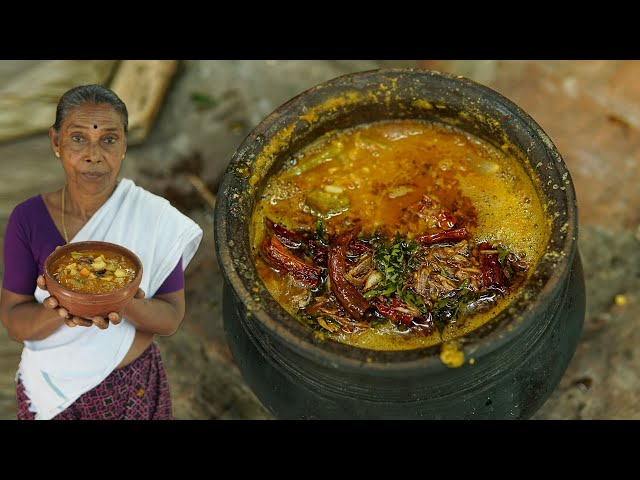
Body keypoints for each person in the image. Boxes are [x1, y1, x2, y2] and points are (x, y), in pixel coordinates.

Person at [0, 84, 203, 420]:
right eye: (78, 138)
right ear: (56, 142)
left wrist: (124, 300)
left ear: (124, 144)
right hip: (52, 394)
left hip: (133, 390)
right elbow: (14, 322)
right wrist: (60, 307)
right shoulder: (29, 218)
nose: (94, 154)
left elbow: (170, 318)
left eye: (109, 139)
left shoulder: (154, 217)